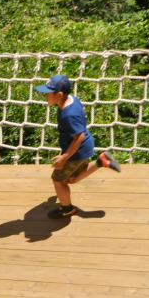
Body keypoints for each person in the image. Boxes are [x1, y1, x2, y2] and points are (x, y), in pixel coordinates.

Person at [36, 73, 120, 218]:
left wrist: (65, 157)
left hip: (77, 151)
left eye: (48, 93)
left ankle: (67, 209)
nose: (45, 96)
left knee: (58, 179)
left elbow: (79, 136)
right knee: (71, 179)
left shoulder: (68, 115)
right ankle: (102, 161)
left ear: (59, 94)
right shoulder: (71, 99)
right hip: (84, 147)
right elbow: (82, 108)